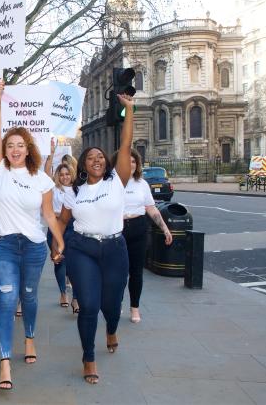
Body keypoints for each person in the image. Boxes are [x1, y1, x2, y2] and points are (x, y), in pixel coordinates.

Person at [0, 78, 65, 390]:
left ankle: (29, 338)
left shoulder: (43, 180)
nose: (15, 149)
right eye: (10, 145)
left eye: (20, 145)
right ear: (5, 151)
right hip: (3, 245)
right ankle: (5, 362)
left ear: (28, 149)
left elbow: (48, 214)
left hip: (33, 247)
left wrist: (59, 241)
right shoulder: (0, 171)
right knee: (7, 300)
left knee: (29, 296)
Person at [56, 93, 135, 385]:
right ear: (83, 166)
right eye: (91, 158)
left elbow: (125, 145)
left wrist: (129, 110)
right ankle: (88, 357)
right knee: (89, 305)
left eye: (101, 156)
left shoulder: (117, 181)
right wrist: (58, 245)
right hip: (82, 249)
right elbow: (63, 222)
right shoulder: (74, 192)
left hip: (115, 248)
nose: (97, 160)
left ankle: (112, 327)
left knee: (111, 304)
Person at [111, 149, 173, 323]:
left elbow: (151, 208)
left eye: (133, 161)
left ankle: (135, 307)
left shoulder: (142, 184)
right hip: (118, 229)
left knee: (136, 272)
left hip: (138, 227)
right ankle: (117, 303)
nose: (130, 164)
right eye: (125, 161)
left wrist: (165, 228)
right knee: (119, 272)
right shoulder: (111, 182)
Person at [44, 147, 78, 312]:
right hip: (55, 229)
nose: (65, 177)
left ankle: (76, 299)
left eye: (67, 174)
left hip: (73, 229)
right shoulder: (53, 189)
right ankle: (63, 293)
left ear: (72, 174)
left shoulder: (79, 189)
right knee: (59, 262)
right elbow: (45, 174)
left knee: (75, 264)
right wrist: (50, 154)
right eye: (61, 174)